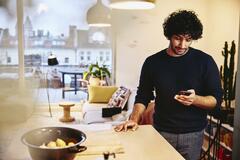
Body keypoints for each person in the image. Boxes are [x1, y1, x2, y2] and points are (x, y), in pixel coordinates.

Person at [114, 10, 223, 160]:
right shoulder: (152, 62)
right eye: (178, 38)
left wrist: (195, 99)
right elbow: (143, 95)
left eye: (188, 39)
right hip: (161, 131)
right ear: (169, 35)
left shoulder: (205, 61)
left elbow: (216, 100)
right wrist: (134, 119)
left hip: (193, 134)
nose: (182, 45)